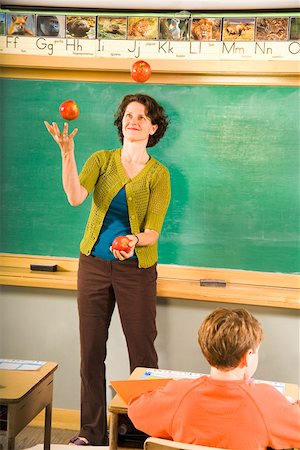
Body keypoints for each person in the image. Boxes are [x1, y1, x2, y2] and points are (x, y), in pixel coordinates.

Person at [44, 93, 171, 445]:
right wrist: (67, 154)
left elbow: (154, 231)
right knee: (90, 353)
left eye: (142, 117)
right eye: (128, 115)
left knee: (143, 356)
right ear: (122, 123)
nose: (133, 120)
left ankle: (142, 433)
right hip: (94, 267)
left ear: (153, 127)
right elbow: (75, 196)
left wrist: (133, 240)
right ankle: (91, 434)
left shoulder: (159, 175)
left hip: (137, 271)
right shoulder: (102, 160)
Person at [128, 308, 300, 450]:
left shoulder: (179, 393)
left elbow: (135, 409)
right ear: (247, 357)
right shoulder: (266, 401)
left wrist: (168, 390)